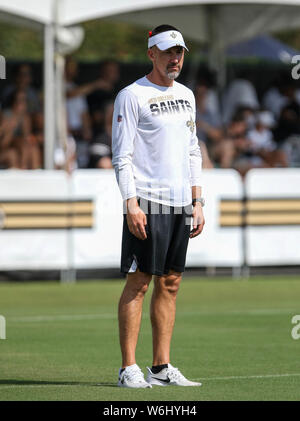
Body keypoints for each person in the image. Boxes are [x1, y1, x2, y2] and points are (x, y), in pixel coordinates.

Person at [112, 25, 205, 389]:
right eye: (168, 52)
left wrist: (197, 200)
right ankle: (127, 368)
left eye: (179, 52)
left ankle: (161, 367)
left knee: (172, 282)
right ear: (151, 53)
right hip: (148, 202)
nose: (175, 58)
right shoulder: (131, 95)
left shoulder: (186, 95)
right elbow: (123, 155)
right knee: (139, 283)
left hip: (182, 202)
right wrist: (131, 203)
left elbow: (193, 149)